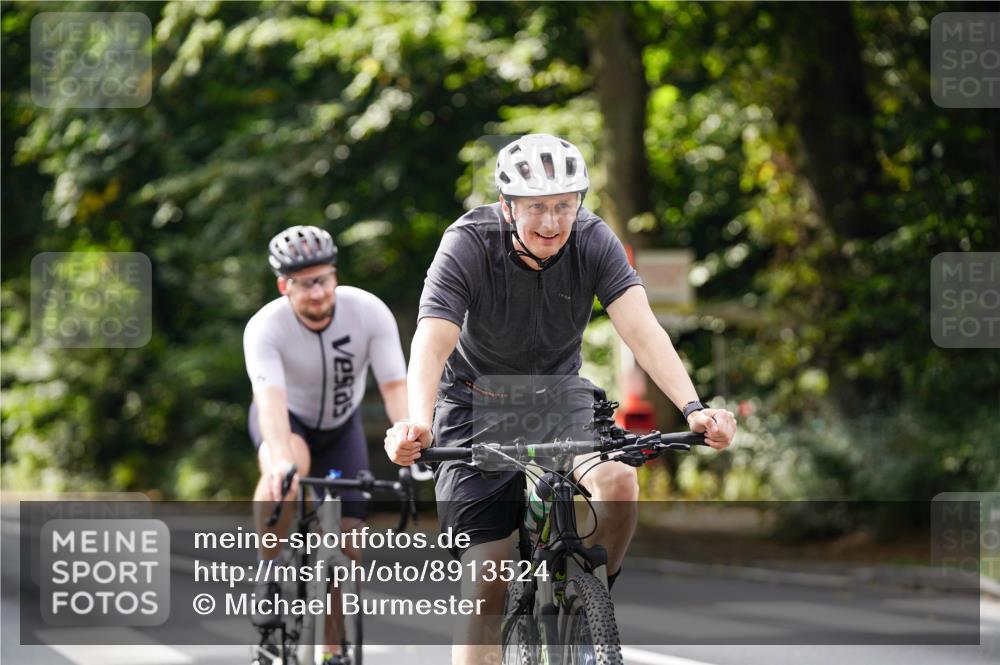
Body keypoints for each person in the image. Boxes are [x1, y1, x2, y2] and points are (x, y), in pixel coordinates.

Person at [383, 134, 737, 665]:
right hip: (472, 404)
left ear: (580, 203)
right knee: (488, 584)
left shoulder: (594, 239)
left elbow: (642, 329)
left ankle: (590, 607)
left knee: (617, 481)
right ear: (507, 207)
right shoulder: (468, 243)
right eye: (536, 209)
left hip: (556, 398)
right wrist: (417, 422)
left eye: (564, 207)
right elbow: (432, 340)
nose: (551, 223)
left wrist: (694, 408)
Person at [244, 224, 408, 663]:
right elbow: (272, 404)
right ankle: (270, 567)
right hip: (286, 418)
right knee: (287, 474)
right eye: (304, 283)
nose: (317, 293)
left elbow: (394, 386)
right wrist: (279, 461)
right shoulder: (266, 327)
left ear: (335, 275)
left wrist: (412, 436)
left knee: (349, 542)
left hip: (341, 425)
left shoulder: (367, 312)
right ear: (284, 286)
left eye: (323, 279)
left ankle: (331, 650)